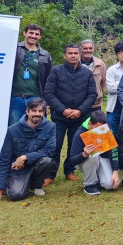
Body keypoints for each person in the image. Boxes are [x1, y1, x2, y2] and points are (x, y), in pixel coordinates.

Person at [43, 44, 97, 183]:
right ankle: (50, 174)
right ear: (64, 55)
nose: (73, 56)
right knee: (56, 145)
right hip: (60, 116)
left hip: (80, 116)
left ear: (79, 54)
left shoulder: (87, 73)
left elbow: (92, 95)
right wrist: (63, 110)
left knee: (75, 145)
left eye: (75, 53)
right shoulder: (56, 71)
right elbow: (49, 93)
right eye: (70, 53)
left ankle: (69, 170)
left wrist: (80, 110)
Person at [0, 98, 57, 201]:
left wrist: (25, 157)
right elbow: (4, 158)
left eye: (40, 111)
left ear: (44, 112)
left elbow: (49, 151)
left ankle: (37, 186)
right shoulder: (12, 130)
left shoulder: (51, 127)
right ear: (27, 111)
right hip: (18, 169)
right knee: (15, 195)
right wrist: (0, 186)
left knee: (48, 161)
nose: (37, 114)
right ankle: (18, 184)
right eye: (34, 111)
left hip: (37, 165)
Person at [68, 110, 121, 195]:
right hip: (85, 161)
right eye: (97, 128)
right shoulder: (80, 133)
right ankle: (90, 185)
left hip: (103, 158)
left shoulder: (107, 128)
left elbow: (113, 150)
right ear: (90, 124)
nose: (101, 131)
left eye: (103, 128)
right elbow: (72, 160)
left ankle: (100, 178)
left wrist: (115, 171)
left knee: (110, 185)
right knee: (93, 156)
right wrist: (84, 154)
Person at [9, 24, 52, 126]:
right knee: (15, 129)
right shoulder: (13, 49)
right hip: (15, 98)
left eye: (37, 34)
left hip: (36, 99)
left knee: (36, 130)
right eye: (31, 33)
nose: (33, 36)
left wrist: (47, 101)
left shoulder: (45, 55)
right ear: (24, 33)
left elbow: (49, 80)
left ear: (40, 36)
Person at [105, 40, 123, 135]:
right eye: (120, 53)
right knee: (111, 133)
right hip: (114, 107)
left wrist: (118, 83)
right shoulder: (112, 70)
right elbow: (110, 88)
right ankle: (112, 151)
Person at [79, 39, 106, 112]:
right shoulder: (75, 63)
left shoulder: (100, 64)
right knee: (82, 124)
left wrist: (98, 93)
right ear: (80, 50)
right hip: (79, 104)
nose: (88, 50)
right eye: (85, 48)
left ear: (93, 49)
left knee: (96, 123)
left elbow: (103, 83)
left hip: (95, 104)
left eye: (90, 48)